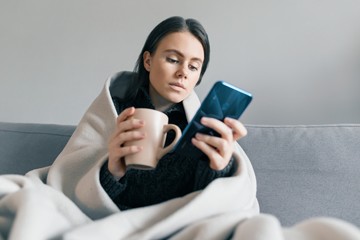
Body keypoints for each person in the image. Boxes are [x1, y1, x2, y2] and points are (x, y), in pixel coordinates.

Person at [99, 16, 248, 210]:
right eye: (173, 59)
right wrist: (112, 174)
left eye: (194, 67)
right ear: (148, 61)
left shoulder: (203, 129)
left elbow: (209, 207)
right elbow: (77, 191)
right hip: (117, 222)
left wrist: (219, 169)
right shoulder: (115, 112)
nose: (183, 72)